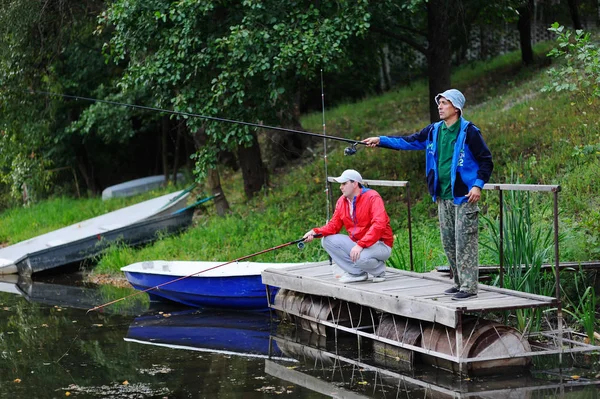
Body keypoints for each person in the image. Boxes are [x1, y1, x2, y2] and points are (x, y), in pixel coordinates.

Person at [363, 89, 493, 300]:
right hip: (442, 196)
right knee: (449, 243)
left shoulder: (469, 132)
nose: (440, 107)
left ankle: (469, 288)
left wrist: (478, 185)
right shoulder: (434, 131)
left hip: (464, 197)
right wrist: (381, 140)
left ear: (456, 107)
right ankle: (459, 282)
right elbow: (408, 142)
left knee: (464, 242)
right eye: (439, 103)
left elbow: (486, 160)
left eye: (444, 103)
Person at [303, 169, 394, 283]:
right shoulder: (342, 201)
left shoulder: (372, 197)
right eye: (341, 184)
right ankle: (357, 273)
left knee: (361, 258)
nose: (341, 187)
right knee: (326, 241)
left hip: (381, 244)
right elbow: (334, 225)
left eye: (344, 183)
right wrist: (315, 232)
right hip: (360, 244)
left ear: (355, 183)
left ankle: (379, 271)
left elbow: (379, 225)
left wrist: (361, 245)